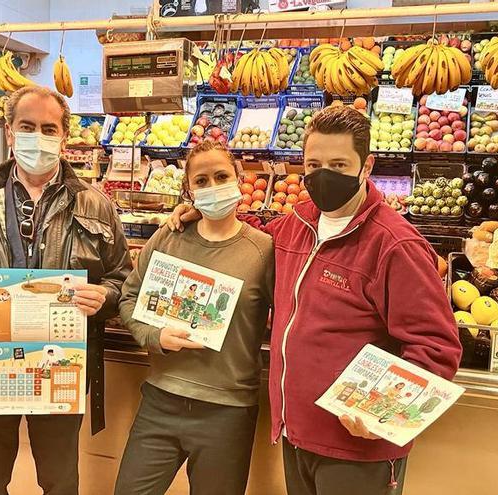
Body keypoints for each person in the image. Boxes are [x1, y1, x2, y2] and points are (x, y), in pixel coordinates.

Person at [168, 106, 462, 495]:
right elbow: (251, 237)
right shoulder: (299, 223)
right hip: (297, 432)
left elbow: (437, 346)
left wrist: (380, 415)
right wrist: (202, 215)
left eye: (339, 164)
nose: (324, 175)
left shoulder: (395, 245)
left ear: (366, 165)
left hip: (358, 447)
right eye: (314, 164)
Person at [0, 86, 132, 495]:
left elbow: (123, 280)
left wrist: (104, 297)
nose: (38, 137)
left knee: (60, 482)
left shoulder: (96, 205)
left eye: (48, 128)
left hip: (59, 369)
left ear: (64, 137)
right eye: (27, 127)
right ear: (10, 133)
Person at [115, 141, 275, 495]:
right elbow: (129, 297)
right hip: (161, 399)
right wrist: (154, 336)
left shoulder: (264, 250)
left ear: (239, 177)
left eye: (221, 176)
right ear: (189, 190)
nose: (213, 186)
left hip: (228, 410)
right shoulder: (169, 237)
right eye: (201, 181)